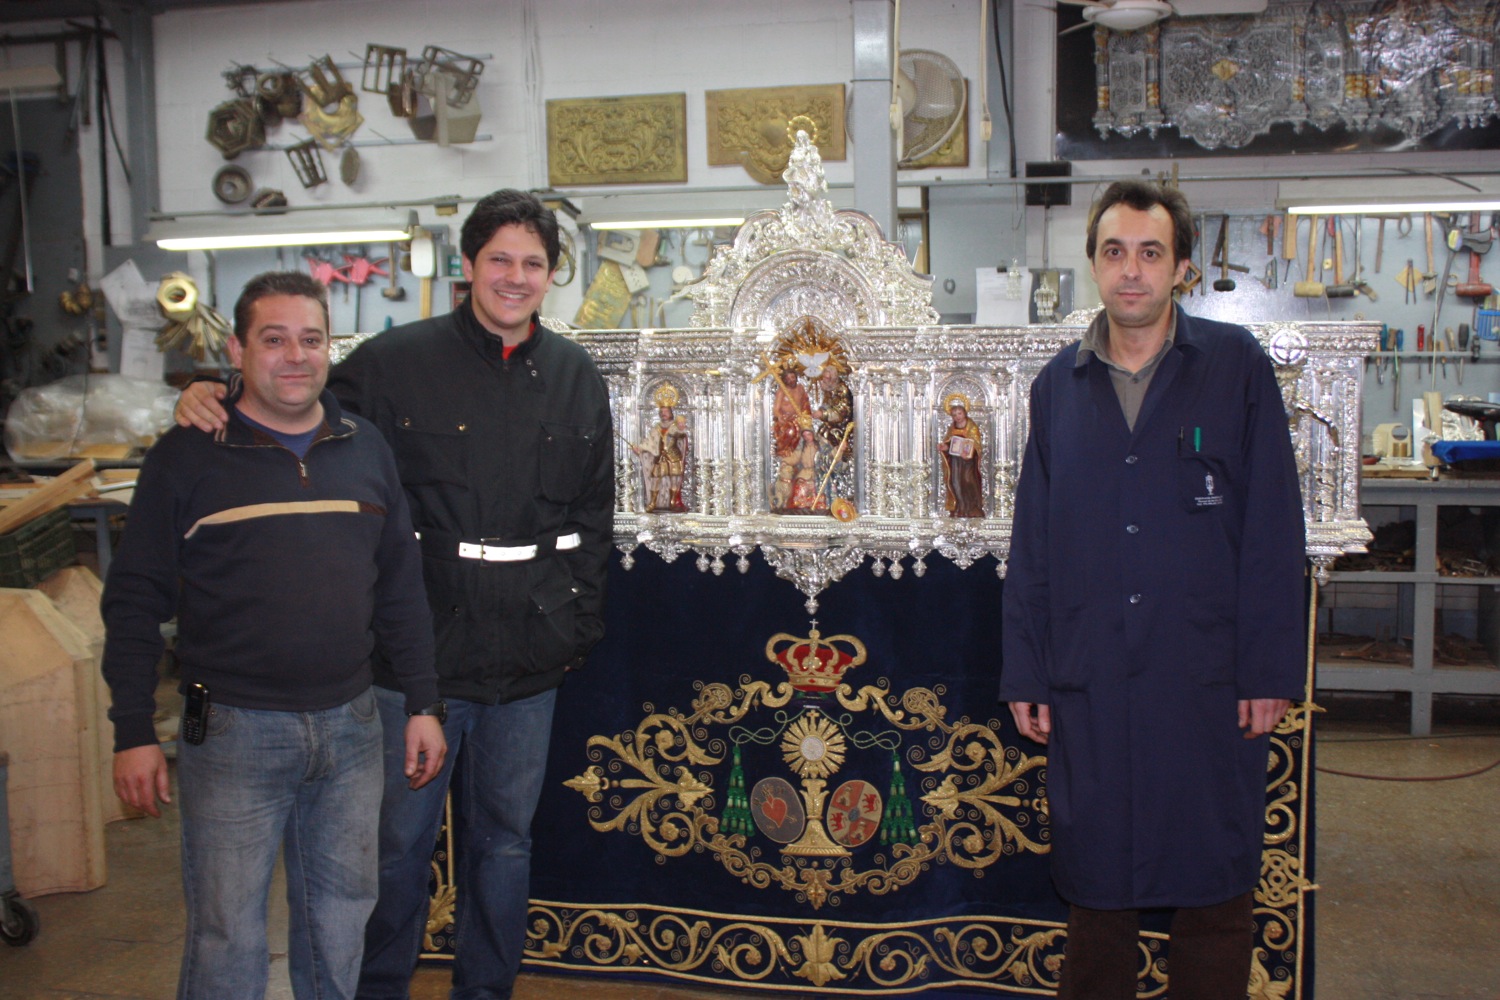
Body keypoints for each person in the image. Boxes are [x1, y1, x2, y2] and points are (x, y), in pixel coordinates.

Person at [174, 192, 615, 1000]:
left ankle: (485, 990)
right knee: (392, 851)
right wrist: (212, 393)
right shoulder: (392, 362)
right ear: (468, 265)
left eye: (533, 263)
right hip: (418, 661)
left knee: (506, 844)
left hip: (530, 656)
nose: (515, 277)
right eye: (500, 259)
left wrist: (575, 622)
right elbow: (289, 402)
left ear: (553, 275)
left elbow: (593, 515)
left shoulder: (574, 376)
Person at [999, 180, 1306, 1000]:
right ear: (1094, 264)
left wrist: (1269, 669)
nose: (1130, 271)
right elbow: (1033, 543)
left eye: (1149, 253)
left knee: (1213, 885)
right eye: (1114, 252)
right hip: (1093, 673)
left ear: (1181, 269)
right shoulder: (1057, 387)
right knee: (1098, 884)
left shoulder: (1235, 369)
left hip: (1205, 674)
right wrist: (1028, 672)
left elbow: (1275, 528)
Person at [103, 271, 447, 1000]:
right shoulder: (185, 455)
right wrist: (133, 729)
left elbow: (400, 589)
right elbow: (133, 600)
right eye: (275, 339)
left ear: (330, 348)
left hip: (352, 727)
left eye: (311, 339)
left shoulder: (365, 447)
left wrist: (422, 702)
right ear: (237, 351)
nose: (296, 356)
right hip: (234, 730)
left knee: (340, 920)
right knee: (227, 932)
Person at [632, 398, 689, 513]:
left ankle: (672, 502)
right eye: (662, 412)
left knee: (674, 480)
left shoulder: (675, 426)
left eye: (666, 411)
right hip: (660, 458)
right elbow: (649, 441)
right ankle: (653, 502)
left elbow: (681, 435)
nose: (664, 414)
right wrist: (640, 448)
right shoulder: (656, 428)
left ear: (671, 413)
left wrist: (681, 429)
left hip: (674, 457)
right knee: (655, 479)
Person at [938, 394, 984, 518]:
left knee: (968, 481)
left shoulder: (971, 426)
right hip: (955, 462)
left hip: (968, 462)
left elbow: (976, 444)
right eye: (954, 415)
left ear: (964, 413)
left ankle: (972, 507)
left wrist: (969, 453)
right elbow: (950, 443)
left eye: (959, 413)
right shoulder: (952, 427)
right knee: (955, 482)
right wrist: (944, 447)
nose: (957, 417)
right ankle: (959, 507)